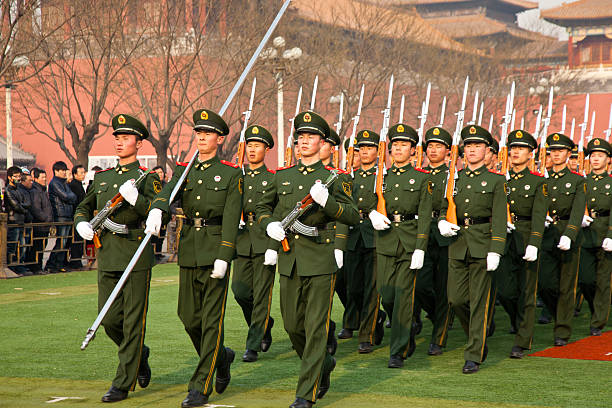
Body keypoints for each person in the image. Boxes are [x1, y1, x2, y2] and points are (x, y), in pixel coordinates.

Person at [256, 111, 359, 408]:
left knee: (315, 329)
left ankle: (305, 394)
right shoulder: (283, 176)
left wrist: (330, 204)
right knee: (292, 326)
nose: (303, 141)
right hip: (290, 259)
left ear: (323, 142)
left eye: (310, 137)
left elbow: (352, 215)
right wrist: (268, 224)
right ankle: (323, 364)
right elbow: (263, 206)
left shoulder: (336, 179)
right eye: (300, 137)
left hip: (320, 257)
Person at [146, 109, 242, 408]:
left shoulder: (230, 173)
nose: (202, 137)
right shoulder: (185, 169)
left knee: (211, 321)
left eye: (208, 133)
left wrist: (225, 254)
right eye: (198, 132)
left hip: (215, 248)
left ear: (220, 138)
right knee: (188, 317)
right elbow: (168, 192)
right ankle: (221, 357)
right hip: (189, 248)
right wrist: (156, 208)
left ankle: (199, 386)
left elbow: (230, 216)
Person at [74, 114, 160, 403]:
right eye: (117, 138)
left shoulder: (148, 178)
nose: (120, 142)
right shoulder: (103, 177)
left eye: (126, 138)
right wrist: (81, 223)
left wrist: (138, 200)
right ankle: (139, 354)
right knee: (109, 320)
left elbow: (160, 213)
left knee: (133, 322)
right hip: (108, 254)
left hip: (135, 253)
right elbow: (83, 207)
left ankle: (123, 381)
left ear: (139, 143)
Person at [438, 125, 507, 374]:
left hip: (482, 244)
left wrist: (496, 249)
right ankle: (478, 336)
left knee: (479, 302)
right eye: (468, 146)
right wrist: (442, 223)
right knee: (455, 300)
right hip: (457, 245)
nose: (472, 150)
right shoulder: (454, 179)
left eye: (477, 146)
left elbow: (499, 216)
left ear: (487, 151)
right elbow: (442, 208)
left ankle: (474, 353)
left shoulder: (496, 181)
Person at [369, 123, 432, 368]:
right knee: (387, 296)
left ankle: (398, 349)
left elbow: (425, 214)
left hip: (408, 240)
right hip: (385, 241)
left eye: (403, 145)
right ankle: (407, 328)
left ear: (413, 151)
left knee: (403, 296)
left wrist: (420, 247)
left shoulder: (421, 179)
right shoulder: (381, 176)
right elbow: (367, 203)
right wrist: (372, 214)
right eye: (394, 145)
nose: (397, 149)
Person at [497, 130, 548, 359]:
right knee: (507, 292)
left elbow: (539, 215)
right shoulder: (499, 180)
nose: (516, 152)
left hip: (526, 237)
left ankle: (522, 340)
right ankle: (518, 322)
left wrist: (535, 242)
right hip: (504, 239)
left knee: (527, 291)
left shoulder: (538, 182)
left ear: (530, 153)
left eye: (522, 148)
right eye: (513, 148)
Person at [232, 125, 277, 363]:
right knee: (240, 291)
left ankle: (253, 344)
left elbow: (276, 213)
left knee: (261, 295)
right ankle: (263, 324)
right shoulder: (236, 176)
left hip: (263, 239)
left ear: (266, 149)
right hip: (241, 241)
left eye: (257, 146)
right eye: (249, 145)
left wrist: (274, 245)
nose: (252, 150)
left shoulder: (273, 178)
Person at [539, 132, 585, 347]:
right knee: (546, 283)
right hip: (546, 235)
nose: (556, 154)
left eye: (560, 151)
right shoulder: (542, 178)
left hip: (568, 233)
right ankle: (558, 313)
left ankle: (562, 330)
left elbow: (577, 210)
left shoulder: (577, 180)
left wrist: (570, 233)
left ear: (568, 153)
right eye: (553, 151)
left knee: (567, 286)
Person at [343, 129, 386, 354]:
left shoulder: (383, 177)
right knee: (354, 287)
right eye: (362, 148)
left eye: (370, 148)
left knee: (371, 288)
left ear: (377, 151)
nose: (365, 152)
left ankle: (366, 335)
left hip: (374, 236)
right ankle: (374, 318)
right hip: (354, 236)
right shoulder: (350, 177)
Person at [414, 126, 454, 356]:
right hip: (423, 234)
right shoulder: (420, 175)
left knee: (444, 288)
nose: (433, 150)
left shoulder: (453, 176)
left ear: (447, 151)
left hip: (446, 237)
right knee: (421, 285)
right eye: (430, 146)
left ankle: (438, 338)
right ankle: (435, 314)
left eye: (438, 146)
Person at [579, 138, 612, 337]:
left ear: (608, 160)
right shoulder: (583, 182)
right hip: (586, 235)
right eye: (593, 155)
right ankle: (595, 309)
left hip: (605, 233)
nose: (596, 159)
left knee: (603, 281)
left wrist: (611, 234)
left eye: (600, 155)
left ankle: (598, 321)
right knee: (586, 280)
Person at [47, 161, 77, 273]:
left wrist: (69, 197)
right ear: (56, 171)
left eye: (65, 170)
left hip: (67, 214)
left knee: (63, 242)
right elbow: (65, 196)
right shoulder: (54, 183)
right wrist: (69, 197)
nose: (65, 172)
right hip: (60, 215)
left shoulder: (63, 183)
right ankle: (52, 264)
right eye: (63, 170)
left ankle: (57, 264)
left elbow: (73, 196)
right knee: (60, 242)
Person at [4, 166, 31, 276]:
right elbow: (15, 206)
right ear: (10, 177)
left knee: (22, 245)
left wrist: (22, 207)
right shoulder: (7, 190)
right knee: (13, 246)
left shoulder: (21, 190)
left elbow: (28, 202)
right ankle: (12, 266)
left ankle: (20, 266)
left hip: (21, 221)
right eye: (16, 177)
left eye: (19, 176)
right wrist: (23, 207)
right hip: (13, 222)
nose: (18, 179)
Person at [28, 168, 53, 274]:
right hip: (39, 225)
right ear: (36, 178)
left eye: (45, 177)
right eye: (42, 177)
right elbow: (36, 209)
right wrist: (45, 218)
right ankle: (35, 267)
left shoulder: (42, 190)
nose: (45, 179)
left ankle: (39, 267)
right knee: (37, 247)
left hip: (45, 225)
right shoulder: (35, 191)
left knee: (42, 246)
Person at [69, 164, 87, 269]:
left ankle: (77, 260)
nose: (83, 175)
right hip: (76, 216)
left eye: (84, 172)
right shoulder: (74, 185)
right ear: (75, 174)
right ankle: (75, 261)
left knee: (79, 240)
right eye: (81, 173)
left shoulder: (79, 184)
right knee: (76, 240)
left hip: (80, 216)